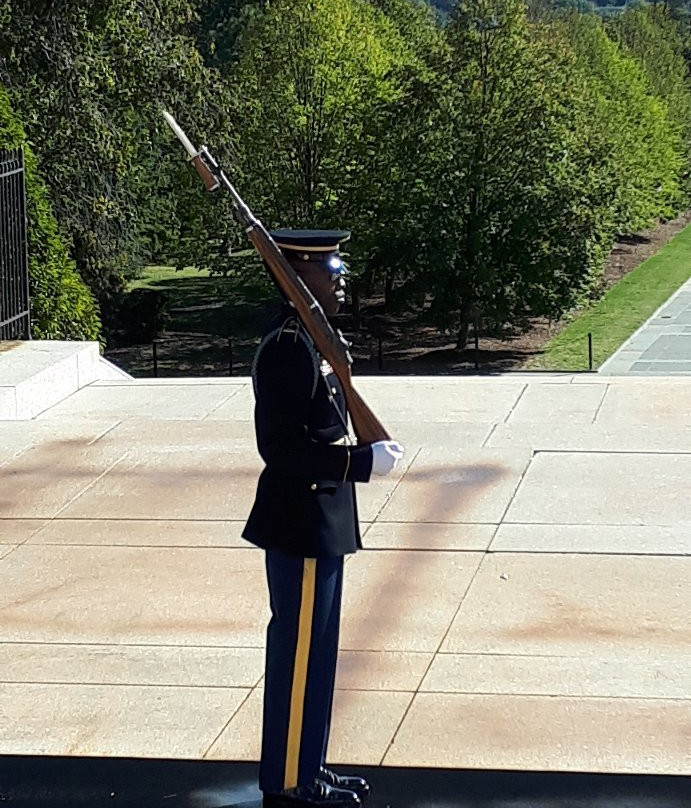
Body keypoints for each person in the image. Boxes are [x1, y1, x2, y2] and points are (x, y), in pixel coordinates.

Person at [242, 229, 405, 808]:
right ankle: (289, 784)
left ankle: (307, 768)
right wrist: (358, 461)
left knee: (316, 659)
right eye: (330, 267)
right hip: (301, 523)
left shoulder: (311, 339)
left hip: (320, 521)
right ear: (299, 277)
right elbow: (281, 449)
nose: (340, 276)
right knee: (298, 661)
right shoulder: (290, 346)